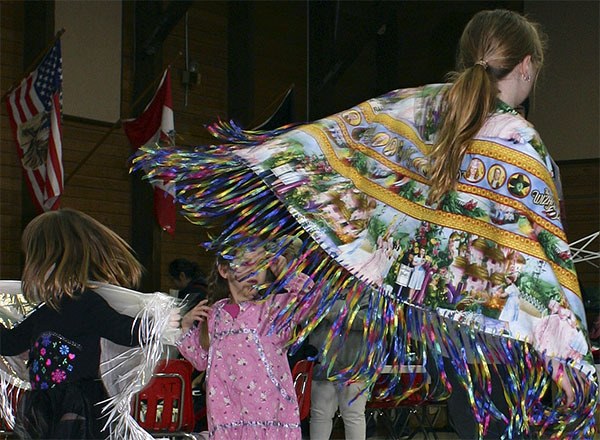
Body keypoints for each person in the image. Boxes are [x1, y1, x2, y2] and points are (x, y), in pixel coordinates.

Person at [135, 8, 596, 438]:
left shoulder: (417, 111)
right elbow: (540, 254)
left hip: (452, 332)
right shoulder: (516, 138)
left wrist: (248, 159)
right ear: (528, 65)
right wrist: (567, 353)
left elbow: (330, 142)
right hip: (504, 336)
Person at [0, 209, 148, 439]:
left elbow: (128, 332)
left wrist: (168, 322)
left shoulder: (87, 304)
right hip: (44, 406)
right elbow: (9, 343)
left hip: (77, 409)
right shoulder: (46, 310)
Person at [176, 237, 314, 439]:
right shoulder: (214, 314)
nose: (253, 272)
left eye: (259, 265)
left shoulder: (273, 308)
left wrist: (288, 275)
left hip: (272, 416)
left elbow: (313, 301)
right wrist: (186, 327)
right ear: (224, 271)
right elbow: (202, 361)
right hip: (227, 419)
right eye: (245, 264)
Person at [309, 296, 369, 440]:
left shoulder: (369, 290)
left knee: (353, 415)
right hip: (322, 365)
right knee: (319, 414)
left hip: (353, 367)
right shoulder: (323, 287)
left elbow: (369, 321)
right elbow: (307, 316)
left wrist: (332, 312)